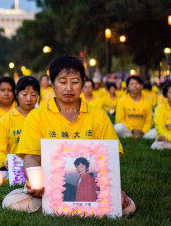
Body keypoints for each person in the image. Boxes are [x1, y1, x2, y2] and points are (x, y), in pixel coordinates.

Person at [15, 56, 134, 214]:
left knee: (128, 207)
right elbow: (30, 157)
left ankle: (68, 209)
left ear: (83, 83)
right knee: (13, 203)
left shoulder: (98, 116)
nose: (69, 88)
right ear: (52, 83)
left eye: (75, 82)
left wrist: (112, 189)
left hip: (93, 190)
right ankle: (66, 207)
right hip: (48, 189)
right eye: (63, 82)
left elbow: (111, 158)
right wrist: (35, 182)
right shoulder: (37, 116)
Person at [0, 76, 40, 168]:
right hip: (16, 166)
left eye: (33, 95)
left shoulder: (42, 116)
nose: (29, 99)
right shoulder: (6, 120)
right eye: (24, 94)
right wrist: (5, 161)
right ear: (16, 94)